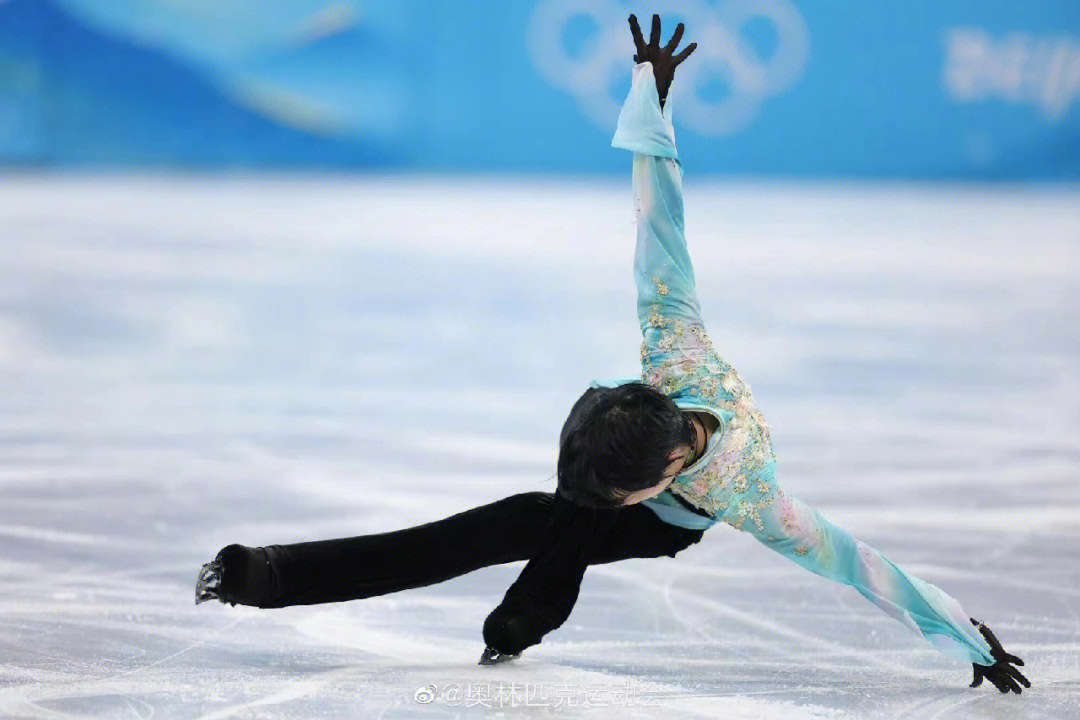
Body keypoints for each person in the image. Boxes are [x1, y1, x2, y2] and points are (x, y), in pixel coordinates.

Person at [196, 14, 1030, 695]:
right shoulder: (675, 345)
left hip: (666, 529)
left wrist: (961, 631)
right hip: (624, 465)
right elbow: (658, 217)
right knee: (524, 523)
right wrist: (651, 99)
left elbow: (860, 567)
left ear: (665, 471)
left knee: (536, 528)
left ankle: (295, 581)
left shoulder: (747, 496)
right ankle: (437, 606)